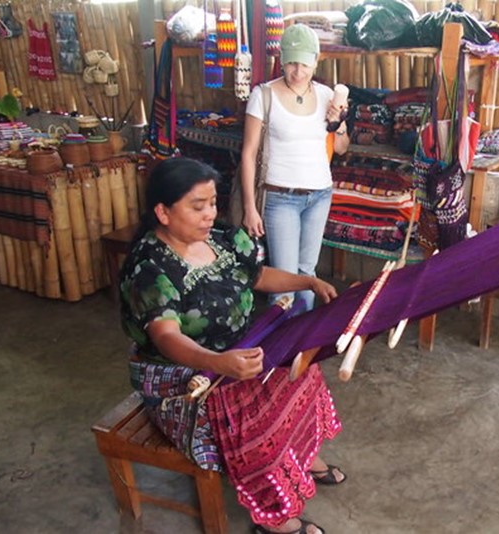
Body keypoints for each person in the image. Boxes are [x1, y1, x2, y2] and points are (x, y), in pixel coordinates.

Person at [119, 158, 345, 534]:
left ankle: (300, 456)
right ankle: (274, 516)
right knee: (249, 415)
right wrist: (218, 363)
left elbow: (256, 276)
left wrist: (306, 282)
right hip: (186, 377)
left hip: (238, 349)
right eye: (198, 206)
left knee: (300, 369)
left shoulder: (219, 239)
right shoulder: (150, 269)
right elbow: (167, 336)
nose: (210, 214)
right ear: (163, 211)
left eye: (212, 203)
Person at [240, 23, 349, 311]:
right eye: (291, 64)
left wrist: (337, 124)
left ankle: (301, 348)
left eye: (304, 64)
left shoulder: (328, 96)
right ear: (282, 60)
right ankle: (282, 348)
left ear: (316, 61)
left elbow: (340, 147)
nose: (297, 72)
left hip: (320, 194)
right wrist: (251, 208)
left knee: (307, 273)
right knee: (285, 280)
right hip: (280, 197)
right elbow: (248, 154)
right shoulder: (263, 95)